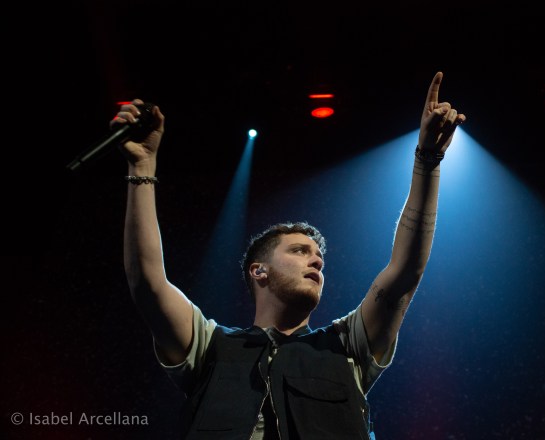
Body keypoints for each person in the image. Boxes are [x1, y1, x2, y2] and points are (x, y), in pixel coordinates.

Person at [115, 71, 466, 439]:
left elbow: (405, 271)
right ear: (259, 271)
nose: (317, 261)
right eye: (300, 251)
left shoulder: (347, 346)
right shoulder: (208, 346)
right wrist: (142, 167)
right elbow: (148, 283)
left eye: (319, 257)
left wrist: (428, 160)